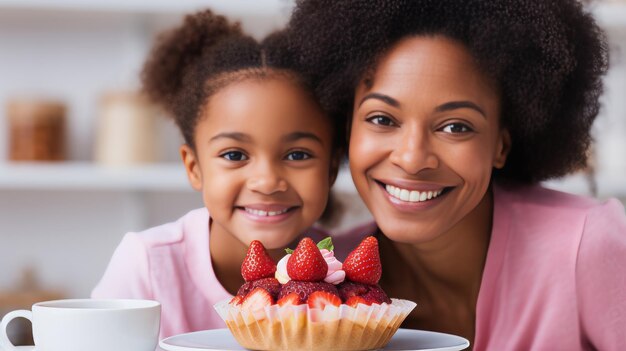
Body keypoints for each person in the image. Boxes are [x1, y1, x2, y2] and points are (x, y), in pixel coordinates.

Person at [285, 0, 626, 349]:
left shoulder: (582, 247)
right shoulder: (318, 278)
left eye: (455, 126)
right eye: (382, 119)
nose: (412, 159)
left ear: (500, 145)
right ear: (348, 127)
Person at [92, 10, 345, 338]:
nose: (267, 181)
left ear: (332, 168)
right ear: (194, 167)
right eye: (235, 155)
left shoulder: (344, 267)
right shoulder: (148, 263)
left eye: (297, 155)